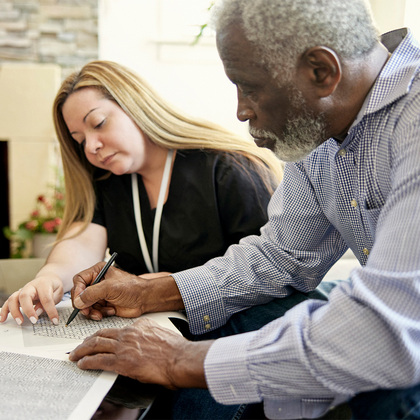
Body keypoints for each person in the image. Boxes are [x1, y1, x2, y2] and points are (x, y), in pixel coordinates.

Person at [62, 0, 420, 418]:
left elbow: (388, 331)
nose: (241, 110)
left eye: (249, 87)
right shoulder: (319, 135)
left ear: (322, 71)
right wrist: (148, 293)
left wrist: (179, 361)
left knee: (389, 393)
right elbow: (282, 257)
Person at [0, 60, 282, 326]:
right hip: (152, 330)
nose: (91, 147)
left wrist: (151, 287)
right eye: (80, 140)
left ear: (136, 107)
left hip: (237, 330)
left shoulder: (230, 169)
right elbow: (81, 244)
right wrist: (47, 278)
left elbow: (267, 268)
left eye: (98, 123)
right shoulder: (108, 181)